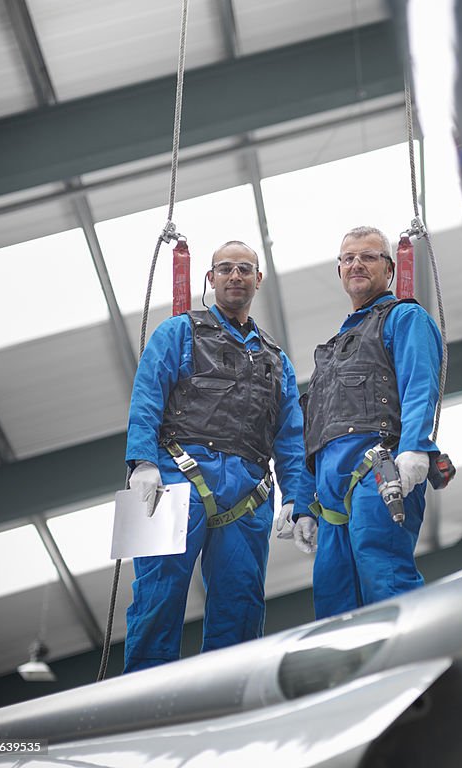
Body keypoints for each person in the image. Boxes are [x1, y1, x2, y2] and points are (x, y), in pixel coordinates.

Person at [124, 240, 306, 672]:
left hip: (249, 494)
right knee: (156, 596)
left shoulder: (277, 360)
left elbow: (291, 436)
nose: (235, 276)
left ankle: (227, 707)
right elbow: (147, 394)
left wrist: (297, 497)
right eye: (225, 269)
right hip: (172, 480)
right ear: (210, 278)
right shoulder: (177, 331)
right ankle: (141, 706)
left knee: (241, 606)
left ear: (258, 280)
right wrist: (142, 462)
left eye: (245, 269)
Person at [277, 226, 442, 619]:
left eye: (368, 256)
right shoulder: (331, 353)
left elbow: (421, 381)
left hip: (380, 472)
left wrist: (415, 445)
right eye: (348, 258)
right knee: (335, 610)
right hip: (329, 497)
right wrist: (303, 505)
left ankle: (410, 668)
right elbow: (313, 432)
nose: (356, 264)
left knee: (385, 578)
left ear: (389, 269)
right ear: (339, 271)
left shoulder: (404, 318)